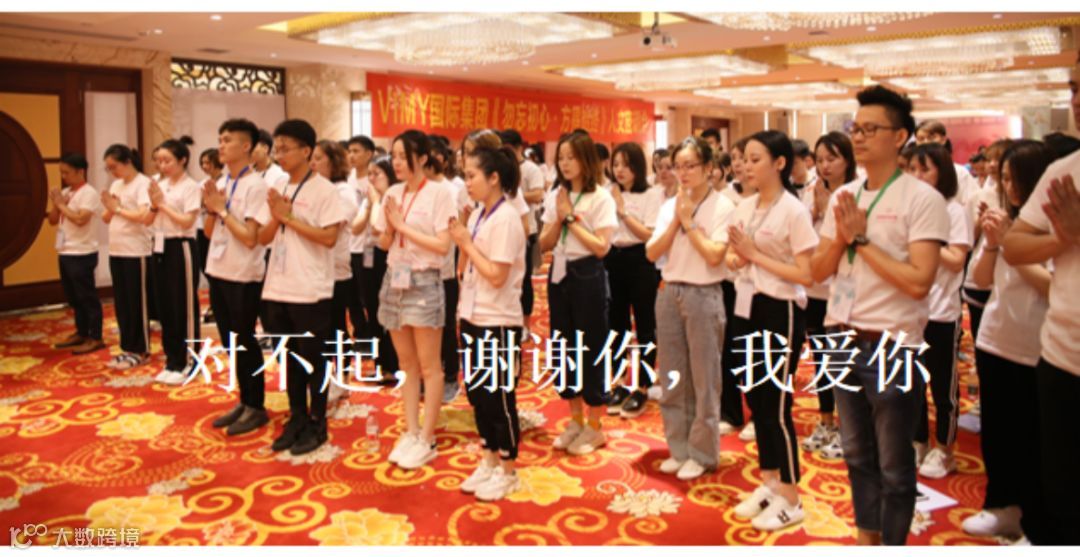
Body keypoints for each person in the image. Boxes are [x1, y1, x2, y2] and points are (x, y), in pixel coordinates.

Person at [810, 85, 949, 546]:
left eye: (871, 129)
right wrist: (842, 236)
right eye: (856, 128)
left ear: (900, 136)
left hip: (893, 344)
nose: (859, 137)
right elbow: (817, 272)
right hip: (840, 334)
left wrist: (862, 241)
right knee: (855, 454)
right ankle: (867, 539)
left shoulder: (921, 199)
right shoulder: (845, 195)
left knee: (894, 464)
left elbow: (919, 281)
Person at [1000, 51, 1080, 545]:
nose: (1078, 101)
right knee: (1062, 490)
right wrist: (1063, 238)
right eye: (1075, 89)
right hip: (1062, 356)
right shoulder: (1065, 171)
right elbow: (1014, 245)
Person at [726, 130, 818, 530]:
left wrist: (753, 255)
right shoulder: (744, 206)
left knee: (776, 405)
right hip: (745, 305)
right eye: (744, 159)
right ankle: (769, 482)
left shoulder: (793, 211)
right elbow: (734, 257)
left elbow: (806, 274)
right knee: (756, 400)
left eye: (755, 159)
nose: (746, 166)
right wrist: (738, 258)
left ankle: (792, 497)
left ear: (780, 163)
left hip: (780, 309)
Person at [967, 139, 1055, 544]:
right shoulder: (1007, 223)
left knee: (1034, 438)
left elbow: (1052, 285)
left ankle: (1035, 522)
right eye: (1003, 178)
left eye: (1016, 178)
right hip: (995, 338)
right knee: (998, 432)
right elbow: (981, 279)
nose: (1009, 186)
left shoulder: (1053, 229)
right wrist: (993, 242)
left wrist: (1010, 245)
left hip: (1037, 345)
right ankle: (1000, 506)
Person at [255, 119, 349, 455]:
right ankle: (296, 417)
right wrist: (277, 215)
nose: (279, 154)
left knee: (314, 359)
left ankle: (317, 422)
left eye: (285, 148)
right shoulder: (279, 187)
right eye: (276, 148)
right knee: (289, 358)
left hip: (310, 289)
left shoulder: (325, 190)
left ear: (306, 151)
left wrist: (290, 218)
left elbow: (329, 238)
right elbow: (262, 237)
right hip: (277, 286)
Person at [646, 136, 735, 480]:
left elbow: (714, 255)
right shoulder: (670, 205)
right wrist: (676, 220)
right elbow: (652, 253)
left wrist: (689, 223)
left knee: (704, 378)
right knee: (673, 376)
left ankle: (702, 452)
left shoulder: (723, 205)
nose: (682, 173)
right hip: (669, 291)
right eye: (677, 166)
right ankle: (679, 447)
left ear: (708, 168)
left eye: (690, 166)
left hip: (704, 294)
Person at [374, 130, 456, 470]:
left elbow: (442, 245)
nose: (395, 162)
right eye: (392, 156)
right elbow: (383, 243)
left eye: (402, 156)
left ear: (422, 158)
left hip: (424, 281)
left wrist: (402, 226)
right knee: (405, 365)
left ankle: (426, 436)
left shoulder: (440, 193)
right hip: (395, 278)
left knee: (429, 366)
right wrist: (390, 229)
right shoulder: (392, 193)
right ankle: (410, 430)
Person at [451, 145, 527, 502]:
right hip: (472, 313)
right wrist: (464, 242)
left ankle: (509, 470)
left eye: (472, 176)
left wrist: (466, 243)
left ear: (494, 178)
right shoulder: (480, 214)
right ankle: (489, 459)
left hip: (498, 320)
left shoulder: (506, 218)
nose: (467, 182)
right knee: (478, 394)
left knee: (498, 398)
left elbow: (497, 275)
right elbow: (466, 267)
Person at [539, 131, 618, 456]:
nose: (565, 163)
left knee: (592, 346)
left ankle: (595, 425)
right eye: (561, 157)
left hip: (588, 273)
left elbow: (601, 247)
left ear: (586, 160)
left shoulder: (601, 197)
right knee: (563, 345)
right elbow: (543, 243)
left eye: (571, 157)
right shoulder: (556, 195)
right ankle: (575, 419)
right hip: (559, 273)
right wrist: (559, 219)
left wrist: (570, 218)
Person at [203, 118, 272, 437]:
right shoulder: (222, 182)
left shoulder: (256, 185)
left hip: (243, 273)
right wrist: (211, 209)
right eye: (220, 139)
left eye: (228, 140)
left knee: (245, 341)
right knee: (231, 341)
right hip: (218, 269)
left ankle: (256, 405)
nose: (221, 145)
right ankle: (244, 400)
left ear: (246, 146)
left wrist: (222, 210)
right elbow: (208, 232)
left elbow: (250, 238)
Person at [907, 143, 972, 478]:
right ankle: (918, 440)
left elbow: (957, 259)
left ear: (942, 172)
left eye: (925, 170)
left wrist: (926, 240)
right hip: (910, 309)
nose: (917, 176)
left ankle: (945, 450)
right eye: (912, 170)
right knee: (911, 382)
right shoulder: (910, 209)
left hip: (943, 311)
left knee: (943, 386)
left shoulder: (953, 211)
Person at [800, 132, 857, 460]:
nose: (824, 166)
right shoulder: (811, 191)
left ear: (847, 160)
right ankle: (826, 421)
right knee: (821, 358)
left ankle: (850, 428)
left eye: (831, 159)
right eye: (819, 159)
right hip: (815, 286)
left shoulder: (854, 194)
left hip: (845, 290)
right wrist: (815, 210)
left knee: (843, 361)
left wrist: (827, 208)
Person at [603, 142, 663, 419]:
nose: (620, 170)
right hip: (612, 259)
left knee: (645, 325)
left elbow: (648, 235)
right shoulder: (607, 193)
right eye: (616, 164)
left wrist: (622, 210)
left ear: (637, 167)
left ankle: (641, 386)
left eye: (626, 165)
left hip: (640, 260)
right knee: (616, 325)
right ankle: (617, 382)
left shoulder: (651, 194)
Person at [148, 137, 202, 385]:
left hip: (181, 246)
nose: (162, 166)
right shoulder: (159, 184)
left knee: (183, 306)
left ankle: (190, 361)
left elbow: (187, 221)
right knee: (165, 306)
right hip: (159, 244)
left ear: (182, 160)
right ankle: (172, 360)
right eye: (159, 161)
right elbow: (149, 218)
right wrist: (153, 206)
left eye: (167, 161)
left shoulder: (190, 186)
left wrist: (162, 205)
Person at [311, 139, 359, 406]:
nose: (313, 163)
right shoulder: (318, 188)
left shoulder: (343, 192)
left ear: (333, 161)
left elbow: (327, 227)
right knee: (321, 328)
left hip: (336, 270)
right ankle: (328, 377)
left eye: (319, 158)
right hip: (315, 268)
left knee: (336, 328)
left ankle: (341, 378)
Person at [101, 144, 154, 371]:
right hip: (117, 250)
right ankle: (127, 347)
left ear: (127, 162)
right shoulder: (116, 185)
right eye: (108, 168)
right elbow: (106, 217)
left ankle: (141, 349)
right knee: (122, 303)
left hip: (136, 251)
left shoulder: (143, 183)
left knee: (137, 303)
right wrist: (110, 207)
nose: (112, 172)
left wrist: (117, 209)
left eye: (114, 167)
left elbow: (143, 216)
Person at [48, 152, 105, 355]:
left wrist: (61, 205)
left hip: (82, 251)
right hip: (65, 250)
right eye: (61, 172)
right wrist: (56, 204)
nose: (63, 177)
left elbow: (81, 219)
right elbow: (52, 220)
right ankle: (81, 332)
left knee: (86, 296)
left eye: (67, 172)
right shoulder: (66, 192)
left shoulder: (89, 193)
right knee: (73, 297)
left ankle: (96, 337)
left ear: (80, 172)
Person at [720, 137, 757, 441]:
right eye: (735, 158)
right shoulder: (726, 199)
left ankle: (758, 413)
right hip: (732, 283)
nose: (740, 164)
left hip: (764, 289)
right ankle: (731, 412)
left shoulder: (775, 200)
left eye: (747, 158)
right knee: (730, 350)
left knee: (757, 353)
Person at [500, 129, 546, 342]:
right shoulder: (500, 168)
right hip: (503, 231)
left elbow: (538, 194)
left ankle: (525, 324)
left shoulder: (530, 169)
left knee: (524, 280)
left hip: (527, 229)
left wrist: (512, 194)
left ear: (518, 147)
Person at [345, 135, 376, 344]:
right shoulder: (348, 179)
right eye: (350, 151)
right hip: (348, 245)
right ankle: (361, 332)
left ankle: (373, 333)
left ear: (369, 154)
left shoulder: (373, 180)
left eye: (356, 151)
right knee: (351, 295)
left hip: (369, 246)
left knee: (369, 295)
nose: (352, 155)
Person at [197, 148, 224, 324]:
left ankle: (217, 305)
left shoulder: (223, 182)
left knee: (217, 270)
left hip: (219, 232)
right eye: (203, 163)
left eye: (208, 162)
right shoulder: (202, 183)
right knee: (205, 267)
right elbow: (199, 204)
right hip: (202, 228)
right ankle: (214, 304)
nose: (205, 166)